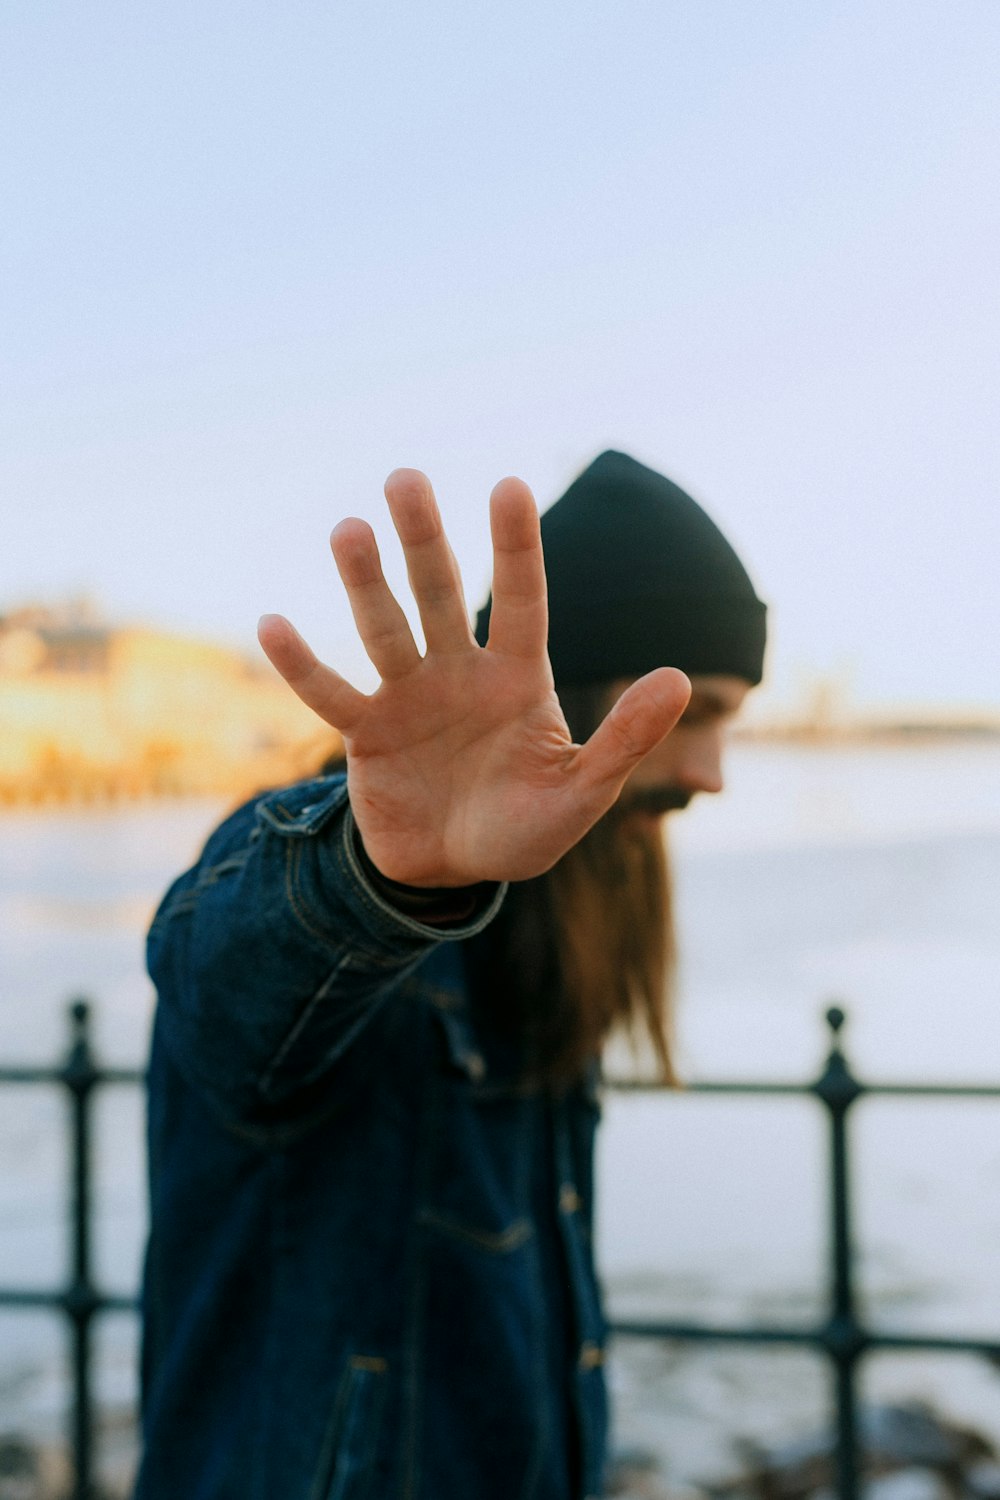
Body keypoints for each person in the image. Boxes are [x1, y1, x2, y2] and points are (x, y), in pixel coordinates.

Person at [135, 450, 766, 1500]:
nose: (709, 774)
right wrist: (377, 876)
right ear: (581, 684)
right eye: (692, 711)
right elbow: (217, 994)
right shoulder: (344, 869)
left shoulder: (553, 925)